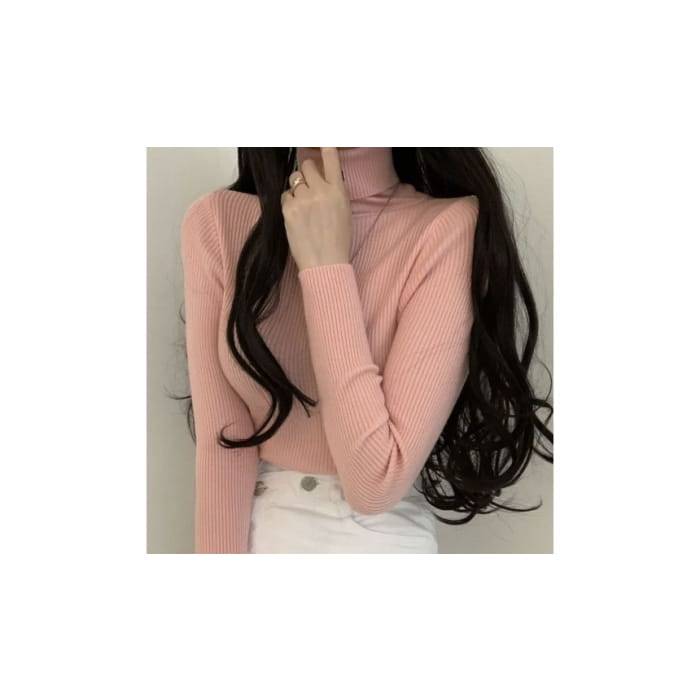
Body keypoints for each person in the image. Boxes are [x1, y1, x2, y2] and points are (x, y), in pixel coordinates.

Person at [179, 147, 553, 554]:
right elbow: (225, 445)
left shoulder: (446, 228)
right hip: (259, 530)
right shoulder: (218, 221)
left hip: (376, 539)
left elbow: (375, 482)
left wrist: (325, 266)